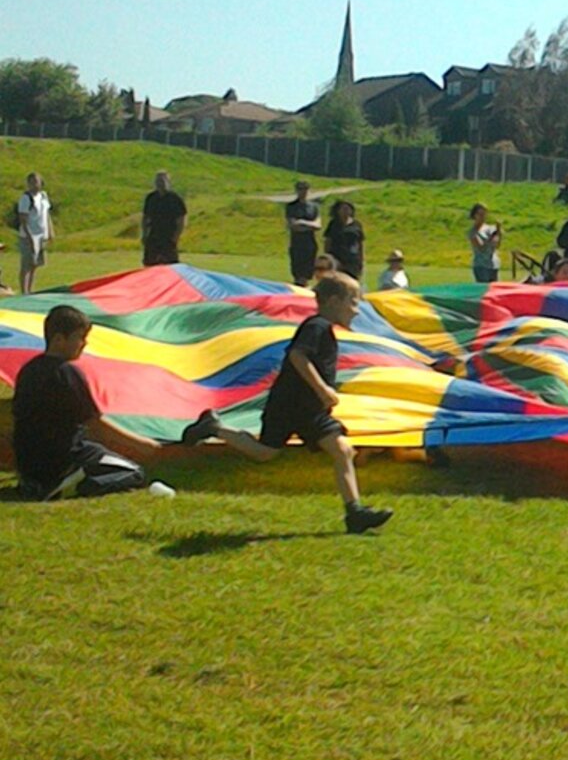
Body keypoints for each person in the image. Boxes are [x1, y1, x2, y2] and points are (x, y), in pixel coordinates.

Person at [178, 274, 394, 534]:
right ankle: (213, 428)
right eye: (353, 302)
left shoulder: (324, 328)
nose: (356, 310)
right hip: (290, 404)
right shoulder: (316, 326)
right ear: (335, 301)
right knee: (266, 452)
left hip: (309, 409)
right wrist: (322, 388)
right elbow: (297, 356)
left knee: (339, 450)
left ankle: (355, 513)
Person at [12, 306, 159, 500]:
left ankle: (38, 483)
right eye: (79, 337)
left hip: (29, 463)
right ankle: (69, 486)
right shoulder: (67, 374)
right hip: (64, 458)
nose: (84, 344)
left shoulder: (28, 370)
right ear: (58, 339)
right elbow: (96, 424)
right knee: (133, 473)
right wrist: (142, 444)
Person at [15, 172, 53, 295]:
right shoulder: (26, 198)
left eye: (36, 181)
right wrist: (30, 237)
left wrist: (50, 231)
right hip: (30, 235)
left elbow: (46, 215)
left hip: (41, 235)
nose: (33, 185)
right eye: (31, 182)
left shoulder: (43, 196)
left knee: (35, 264)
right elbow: (23, 219)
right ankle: (24, 291)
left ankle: (30, 289)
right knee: (26, 264)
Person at [141, 170, 187, 266]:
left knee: (170, 265)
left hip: (168, 237)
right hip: (153, 236)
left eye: (162, 181)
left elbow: (181, 220)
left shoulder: (175, 199)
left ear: (168, 182)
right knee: (150, 263)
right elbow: (145, 218)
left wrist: (176, 237)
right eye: (158, 181)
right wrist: (144, 234)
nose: (160, 184)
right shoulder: (151, 198)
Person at [284, 180, 321, 286]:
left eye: (305, 189)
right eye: (300, 189)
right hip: (296, 241)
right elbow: (292, 225)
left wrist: (302, 222)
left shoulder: (314, 207)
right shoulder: (291, 206)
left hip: (310, 242)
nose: (303, 192)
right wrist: (309, 225)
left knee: (309, 268)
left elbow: (318, 225)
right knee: (297, 268)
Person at [323, 200, 365, 284]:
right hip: (337, 258)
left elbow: (360, 243)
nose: (345, 211)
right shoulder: (333, 224)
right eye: (343, 209)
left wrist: (361, 259)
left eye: (347, 209)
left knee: (352, 281)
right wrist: (328, 258)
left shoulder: (356, 224)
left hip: (352, 259)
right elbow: (328, 241)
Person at [468, 204, 502, 283]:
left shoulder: (489, 228)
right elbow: (481, 248)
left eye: (484, 214)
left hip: (493, 265)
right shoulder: (473, 232)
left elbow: (497, 245)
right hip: (481, 266)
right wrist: (491, 237)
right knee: (484, 290)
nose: (483, 217)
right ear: (475, 215)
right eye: (480, 214)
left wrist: (499, 232)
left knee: (494, 291)